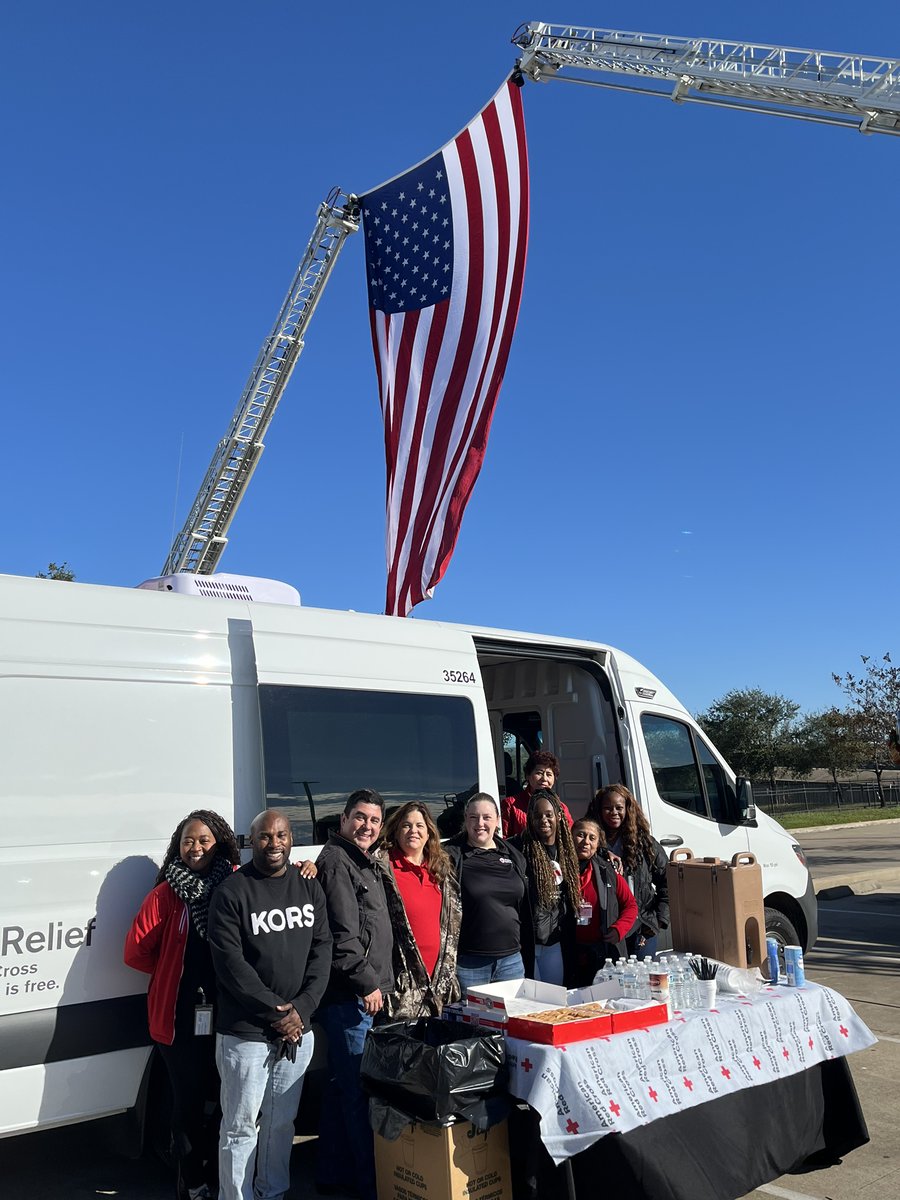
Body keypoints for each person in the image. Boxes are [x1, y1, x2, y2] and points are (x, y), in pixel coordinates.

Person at [207, 810, 332, 1200]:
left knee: (282, 1125)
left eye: (280, 835)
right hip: (246, 1034)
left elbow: (322, 949)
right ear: (251, 841)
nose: (274, 843)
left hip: (299, 1030)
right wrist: (281, 1014)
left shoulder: (308, 886)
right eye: (264, 836)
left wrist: (303, 1009)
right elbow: (231, 966)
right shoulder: (232, 891)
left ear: (291, 837)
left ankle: (272, 1193)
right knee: (241, 1127)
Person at [124, 809, 241, 1200]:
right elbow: (135, 952)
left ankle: (210, 1164)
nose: (196, 848)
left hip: (227, 1014)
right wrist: (173, 968)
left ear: (219, 844)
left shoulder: (236, 885)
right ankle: (191, 1182)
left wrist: (307, 867)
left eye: (204, 840)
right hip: (177, 1017)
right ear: (178, 846)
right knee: (187, 1103)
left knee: (228, 1098)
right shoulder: (165, 894)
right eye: (188, 841)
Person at [315, 788, 394, 1200]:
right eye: (360, 818)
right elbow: (343, 937)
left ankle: (332, 1175)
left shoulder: (362, 860)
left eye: (375, 821)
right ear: (344, 820)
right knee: (356, 1095)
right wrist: (369, 984)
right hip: (352, 997)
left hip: (363, 994)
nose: (367, 826)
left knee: (339, 1090)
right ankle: (370, 1186)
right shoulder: (336, 862)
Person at [374, 801, 462, 1018]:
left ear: (429, 831)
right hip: (402, 989)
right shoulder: (381, 867)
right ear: (396, 830)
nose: (413, 831)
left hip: (439, 985)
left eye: (419, 825)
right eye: (406, 825)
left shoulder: (442, 868)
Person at [445, 793, 534, 991]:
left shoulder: (513, 854)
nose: (480, 823)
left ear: (497, 821)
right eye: (473, 817)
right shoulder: (451, 856)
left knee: (511, 1020)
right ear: (465, 819)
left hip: (511, 960)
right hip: (470, 963)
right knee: (475, 1022)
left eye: (487, 817)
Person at [589, 784, 669, 960]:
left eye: (619, 808)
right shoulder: (592, 845)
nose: (614, 813)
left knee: (641, 982)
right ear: (599, 811)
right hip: (606, 928)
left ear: (628, 809)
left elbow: (667, 882)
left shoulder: (646, 844)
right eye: (607, 808)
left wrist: (658, 920)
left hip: (641, 927)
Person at [512, 788, 582, 985]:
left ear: (559, 816)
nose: (543, 820)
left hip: (555, 941)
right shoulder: (519, 848)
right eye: (537, 815)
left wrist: (607, 853)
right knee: (533, 1001)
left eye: (548, 815)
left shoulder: (566, 849)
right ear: (530, 818)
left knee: (554, 997)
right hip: (528, 942)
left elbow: (592, 849)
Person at [571, 817, 639, 986]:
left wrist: (619, 929)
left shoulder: (607, 871)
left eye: (592, 838)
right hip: (569, 952)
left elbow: (630, 905)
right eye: (580, 835)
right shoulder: (558, 869)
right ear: (570, 837)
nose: (585, 842)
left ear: (598, 844)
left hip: (602, 953)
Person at [501, 750, 574, 837]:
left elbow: (569, 837)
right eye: (539, 773)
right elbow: (503, 840)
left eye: (549, 774)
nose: (544, 779)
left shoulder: (561, 808)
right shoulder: (510, 805)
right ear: (528, 775)